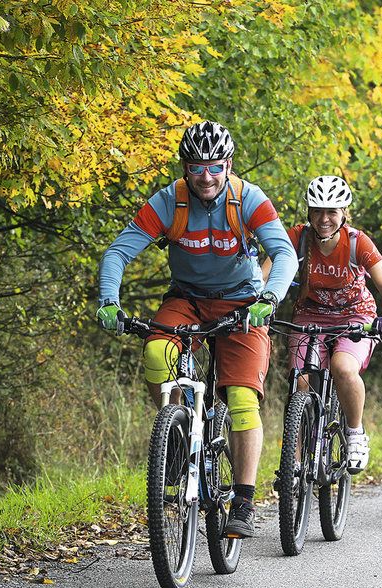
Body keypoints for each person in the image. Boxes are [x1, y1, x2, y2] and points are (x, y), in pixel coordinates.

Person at [97, 120, 298, 538]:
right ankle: (174, 432)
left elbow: (284, 254)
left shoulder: (248, 199)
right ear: (185, 167)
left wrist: (270, 298)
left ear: (228, 165)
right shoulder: (170, 202)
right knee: (157, 353)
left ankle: (243, 499)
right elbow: (118, 252)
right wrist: (109, 300)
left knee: (242, 399)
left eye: (215, 167)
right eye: (196, 167)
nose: (206, 176)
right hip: (186, 298)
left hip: (243, 302)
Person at [262, 175, 382, 473]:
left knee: (343, 368)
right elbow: (265, 275)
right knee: (300, 382)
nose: (324, 218)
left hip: (356, 317)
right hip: (310, 316)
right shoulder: (296, 238)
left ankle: (354, 433)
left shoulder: (356, 242)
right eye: (317, 211)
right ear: (309, 211)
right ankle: (293, 466)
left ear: (343, 213)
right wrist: (258, 304)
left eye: (332, 212)